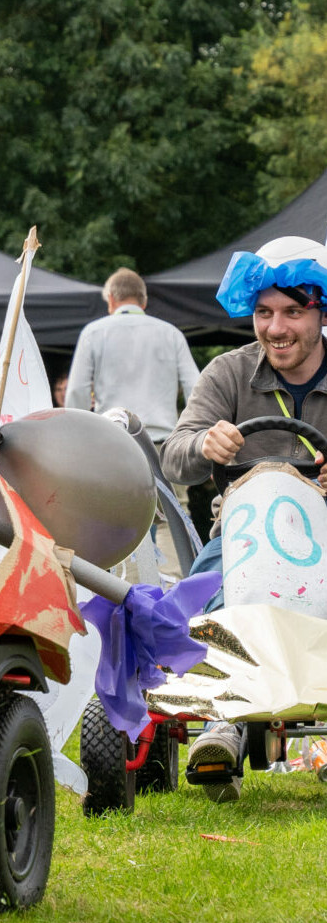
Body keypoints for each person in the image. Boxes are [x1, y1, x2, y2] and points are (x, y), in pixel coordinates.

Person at [160, 235, 327, 797]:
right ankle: (222, 722)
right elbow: (174, 456)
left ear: (320, 313)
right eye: (263, 312)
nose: (276, 328)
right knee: (206, 595)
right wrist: (205, 443)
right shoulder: (229, 372)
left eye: (293, 313)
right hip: (242, 531)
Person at [66, 269, 199, 440]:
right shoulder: (172, 334)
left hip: (112, 440)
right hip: (162, 442)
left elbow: (77, 390)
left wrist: (79, 436)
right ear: (144, 302)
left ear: (111, 299)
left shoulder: (93, 333)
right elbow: (194, 387)